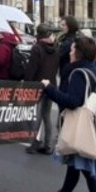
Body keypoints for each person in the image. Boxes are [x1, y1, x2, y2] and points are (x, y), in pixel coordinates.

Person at [42, 36, 96, 192]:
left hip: (85, 130)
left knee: (89, 172)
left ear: (78, 53)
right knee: (74, 165)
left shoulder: (79, 73)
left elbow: (72, 102)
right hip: (95, 127)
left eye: (72, 49)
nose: (70, 52)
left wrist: (49, 88)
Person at [24, 24, 60, 155]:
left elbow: (31, 69)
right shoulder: (56, 49)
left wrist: (27, 84)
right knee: (46, 116)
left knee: (36, 116)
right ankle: (48, 144)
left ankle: (34, 143)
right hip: (50, 85)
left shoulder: (37, 49)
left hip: (38, 86)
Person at [56, 15, 80, 80]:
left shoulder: (69, 41)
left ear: (70, 26)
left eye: (64, 25)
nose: (61, 27)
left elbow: (58, 54)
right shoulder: (67, 38)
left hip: (67, 72)